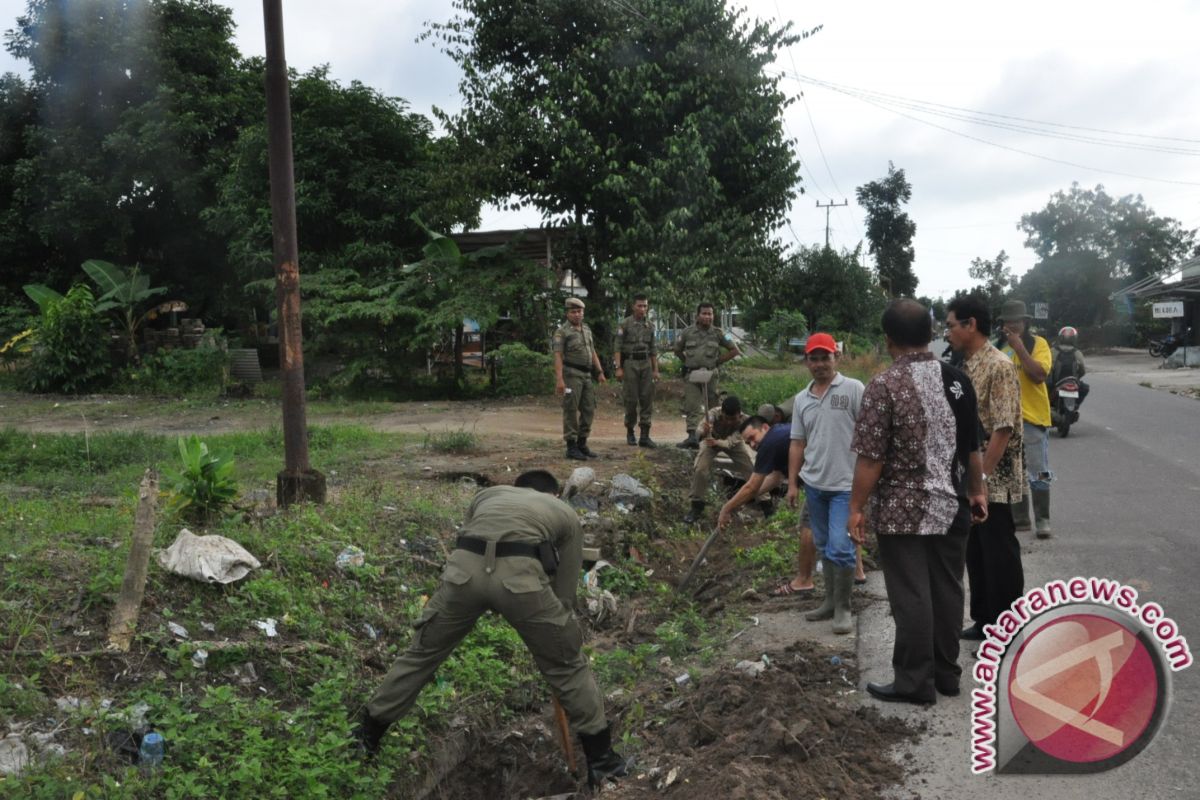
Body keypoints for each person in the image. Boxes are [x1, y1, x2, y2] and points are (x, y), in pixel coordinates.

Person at [353, 470, 631, 788]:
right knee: (569, 667)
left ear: (515, 489)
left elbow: (477, 538)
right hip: (522, 583)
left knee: (421, 653)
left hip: (462, 578)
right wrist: (553, 632)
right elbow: (565, 593)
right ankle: (603, 764)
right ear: (552, 494)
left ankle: (365, 738)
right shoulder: (564, 513)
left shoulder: (487, 496)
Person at [849, 300, 988, 705]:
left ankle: (914, 681)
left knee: (911, 594)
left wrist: (856, 507)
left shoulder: (883, 387)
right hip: (953, 505)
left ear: (888, 339)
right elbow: (972, 448)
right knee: (948, 590)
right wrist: (976, 491)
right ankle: (947, 674)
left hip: (901, 510)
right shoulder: (958, 380)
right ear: (931, 334)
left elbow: (871, 458)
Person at [944, 296, 1026, 645]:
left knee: (999, 555)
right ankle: (984, 620)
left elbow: (1003, 429)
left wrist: (983, 479)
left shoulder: (998, 366)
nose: (947, 333)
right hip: (971, 478)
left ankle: (1007, 631)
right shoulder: (965, 365)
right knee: (975, 553)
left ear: (971, 325)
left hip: (994, 479)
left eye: (951, 325)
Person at [786, 333, 865, 635]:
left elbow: (870, 433)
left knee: (841, 547)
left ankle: (844, 608)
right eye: (814, 358)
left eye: (825, 357)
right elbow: (797, 443)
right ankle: (829, 602)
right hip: (815, 485)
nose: (820, 364)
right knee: (823, 546)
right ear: (806, 361)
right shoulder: (802, 399)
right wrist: (793, 483)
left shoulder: (853, 389)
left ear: (837, 357)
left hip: (846, 485)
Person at [996, 299, 1054, 539]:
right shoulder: (997, 347)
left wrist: (1019, 347)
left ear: (1026, 322)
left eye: (1017, 321)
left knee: (1038, 471)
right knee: (1014, 472)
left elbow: (1039, 375)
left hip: (1032, 418)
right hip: (1005, 419)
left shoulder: (1038, 344)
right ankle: (1020, 520)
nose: (1012, 325)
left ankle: (1042, 519)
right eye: (1008, 322)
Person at [683, 395, 769, 524]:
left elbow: (731, 442)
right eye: (726, 418)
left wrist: (719, 442)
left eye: (733, 419)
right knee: (700, 469)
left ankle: (766, 504)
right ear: (722, 413)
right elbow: (698, 432)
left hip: (732, 444)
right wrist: (703, 431)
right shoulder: (712, 414)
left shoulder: (745, 421)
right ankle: (696, 506)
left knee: (750, 469)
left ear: (739, 415)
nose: (729, 422)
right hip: (711, 442)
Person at [674, 303, 741, 448]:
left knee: (713, 406)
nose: (707, 316)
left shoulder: (719, 333)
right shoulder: (687, 332)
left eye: (710, 314)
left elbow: (734, 350)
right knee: (691, 404)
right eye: (704, 313)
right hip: (692, 374)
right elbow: (677, 350)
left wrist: (717, 362)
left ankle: (714, 436)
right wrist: (687, 362)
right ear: (697, 315)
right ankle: (692, 437)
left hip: (710, 374)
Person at [553, 297, 607, 461]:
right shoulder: (562, 332)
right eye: (573, 312)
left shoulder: (586, 329)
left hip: (587, 375)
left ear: (583, 313)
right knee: (570, 409)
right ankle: (571, 446)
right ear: (567, 314)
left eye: (579, 311)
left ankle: (582, 443)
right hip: (571, 375)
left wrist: (599, 371)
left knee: (589, 408)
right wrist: (559, 379)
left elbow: (592, 351)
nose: (577, 314)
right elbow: (558, 355)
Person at [615, 294, 660, 447]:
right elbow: (617, 347)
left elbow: (653, 349)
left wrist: (655, 369)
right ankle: (630, 431)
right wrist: (618, 367)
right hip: (630, 363)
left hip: (646, 364)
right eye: (640, 305)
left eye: (645, 306)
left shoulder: (650, 325)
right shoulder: (625, 324)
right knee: (631, 399)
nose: (643, 309)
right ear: (633, 306)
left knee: (647, 399)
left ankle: (645, 436)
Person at [1050, 326, 1089, 411]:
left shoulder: (1053, 351)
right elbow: (1083, 370)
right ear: (1074, 339)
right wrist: (1076, 378)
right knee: (1085, 388)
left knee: (1043, 389)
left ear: (1060, 338)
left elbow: (1048, 367)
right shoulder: (1077, 353)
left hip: (1055, 382)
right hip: (1072, 381)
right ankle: (1076, 405)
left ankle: (1047, 406)